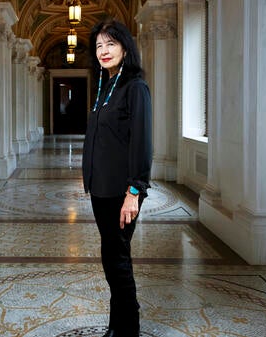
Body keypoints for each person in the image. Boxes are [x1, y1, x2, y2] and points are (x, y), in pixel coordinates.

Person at [82, 19, 152, 337]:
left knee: (118, 261)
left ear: (125, 47)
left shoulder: (135, 87)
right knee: (111, 259)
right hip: (101, 189)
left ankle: (129, 329)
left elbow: (141, 141)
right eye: (99, 46)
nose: (104, 51)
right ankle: (116, 325)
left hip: (122, 192)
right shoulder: (105, 86)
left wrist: (134, 191)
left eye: (110, 44)